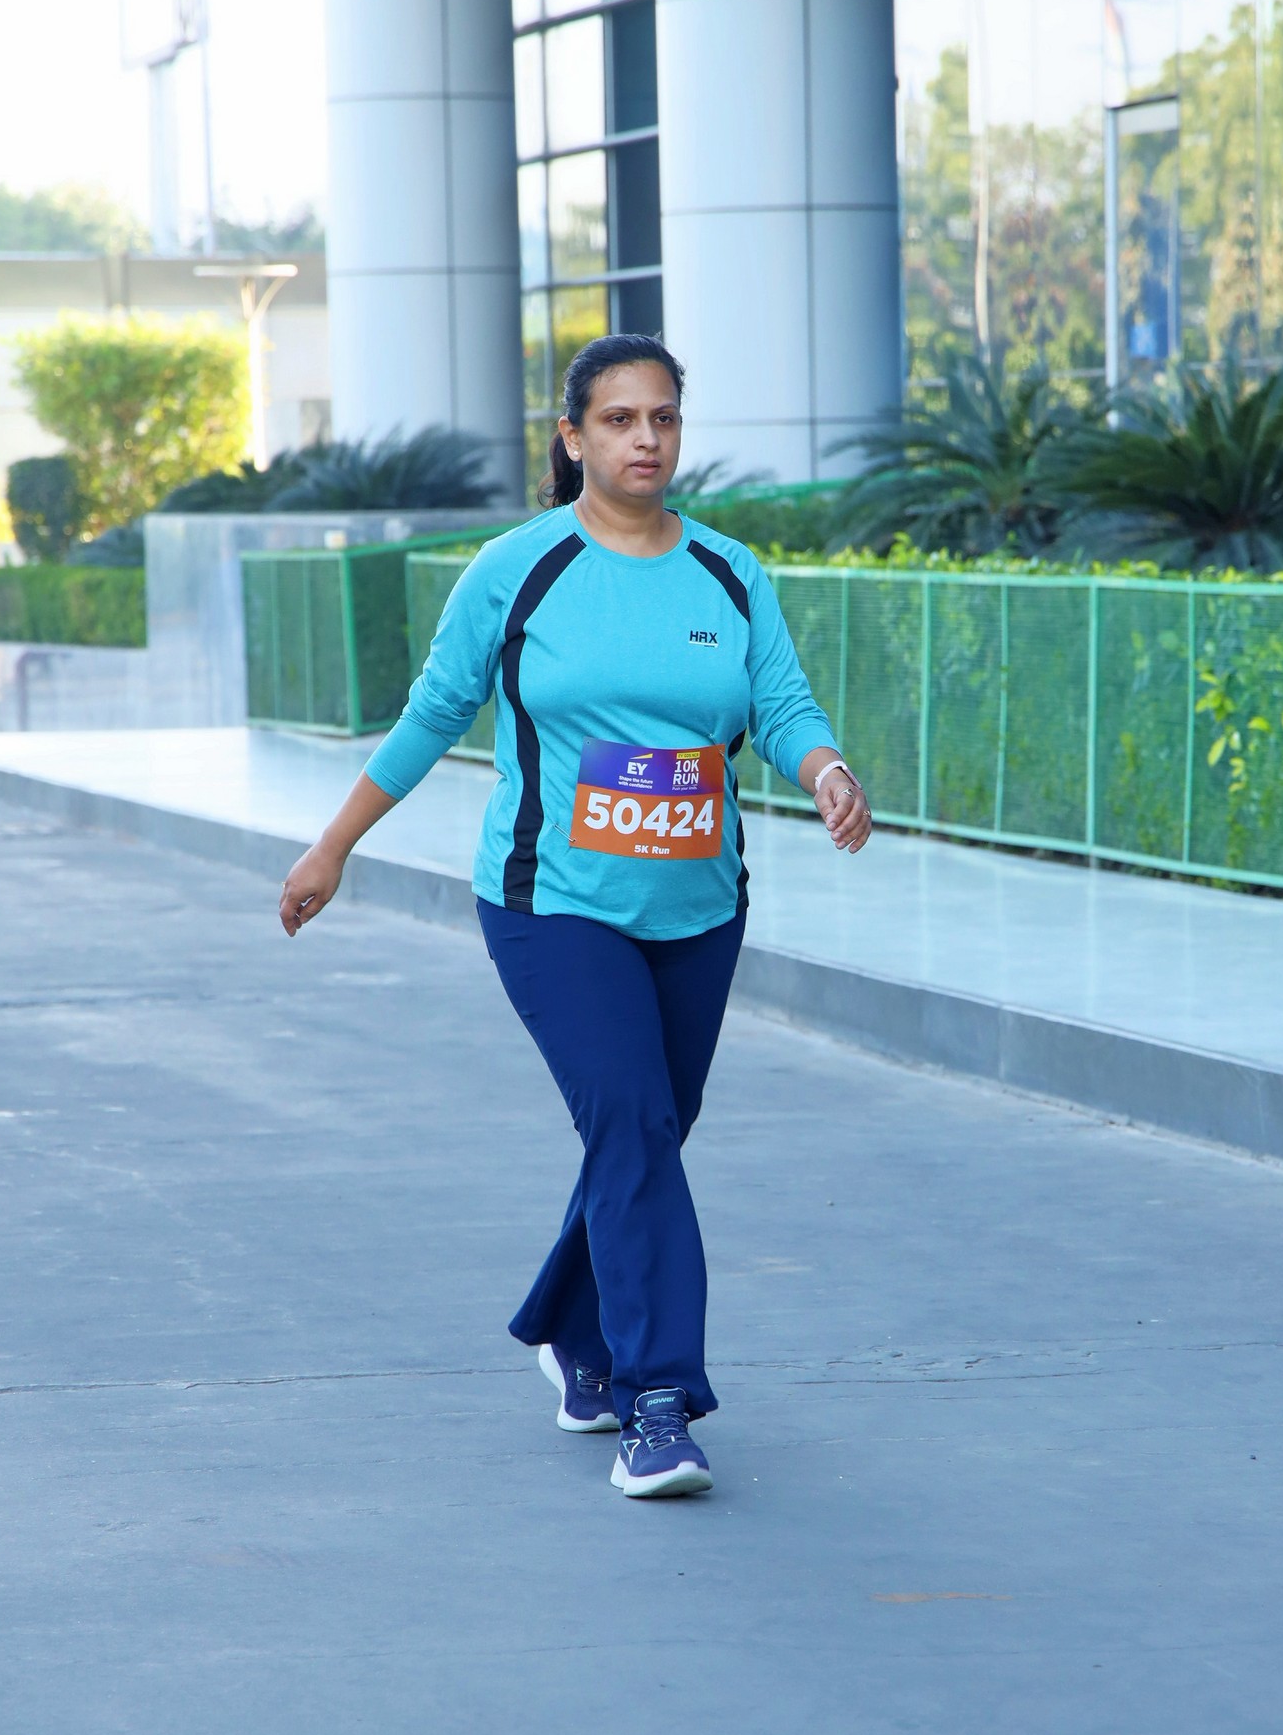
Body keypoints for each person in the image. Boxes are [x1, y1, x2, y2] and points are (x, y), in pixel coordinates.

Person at [277, 334, 872, 1499]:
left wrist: (827, 769)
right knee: (634, 1121)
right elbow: (434, 710)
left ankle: (573, 1328)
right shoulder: (519, 568)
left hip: (698, 906)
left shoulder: (729, 572)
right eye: (619, 419)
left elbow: (782, 704)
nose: (645, 438)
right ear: (573, 436)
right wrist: (333, 843)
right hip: (552, 903)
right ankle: (658, 1402)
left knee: (644, 1130)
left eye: (663, 418)